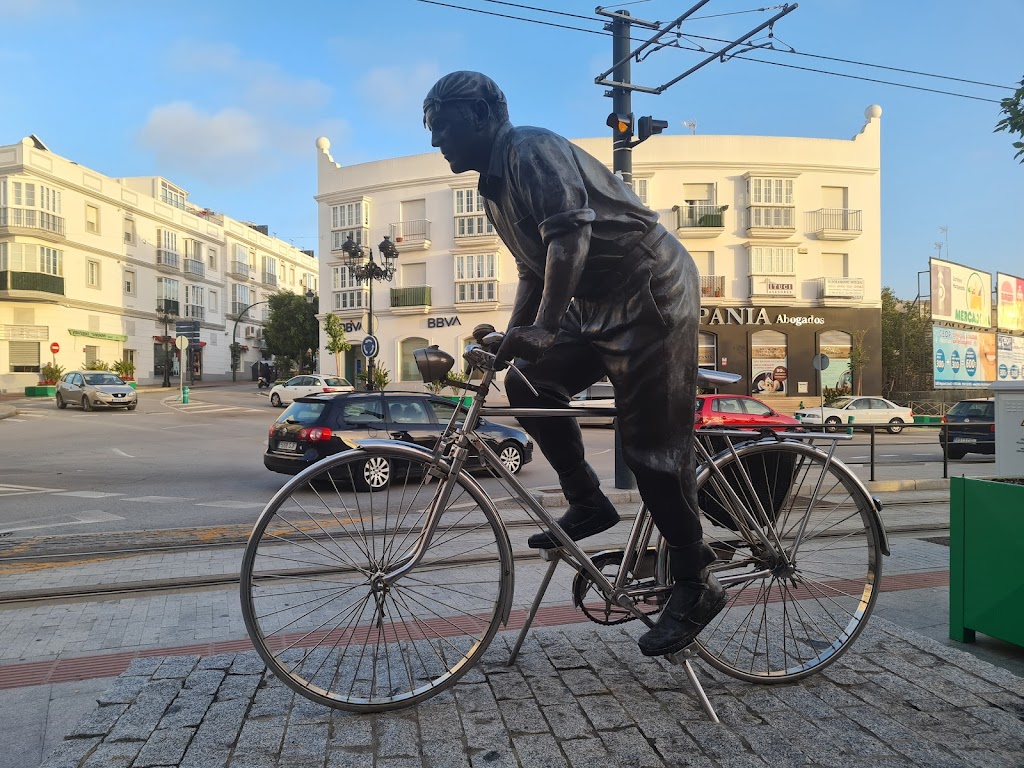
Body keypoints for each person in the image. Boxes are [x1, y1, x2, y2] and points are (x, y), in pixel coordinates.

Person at [423, 71, 726, 657]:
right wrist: (517, 336)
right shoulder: (493, 188)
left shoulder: (528, 148)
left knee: (651, 450)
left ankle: (695, 581)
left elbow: (568, 238)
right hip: (592, 302)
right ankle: (588, 499)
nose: (440, 143)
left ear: (482, 116)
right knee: (529, 380)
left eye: (445, 129)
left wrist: (542, 325)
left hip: (647, 291)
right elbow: (536, 269)